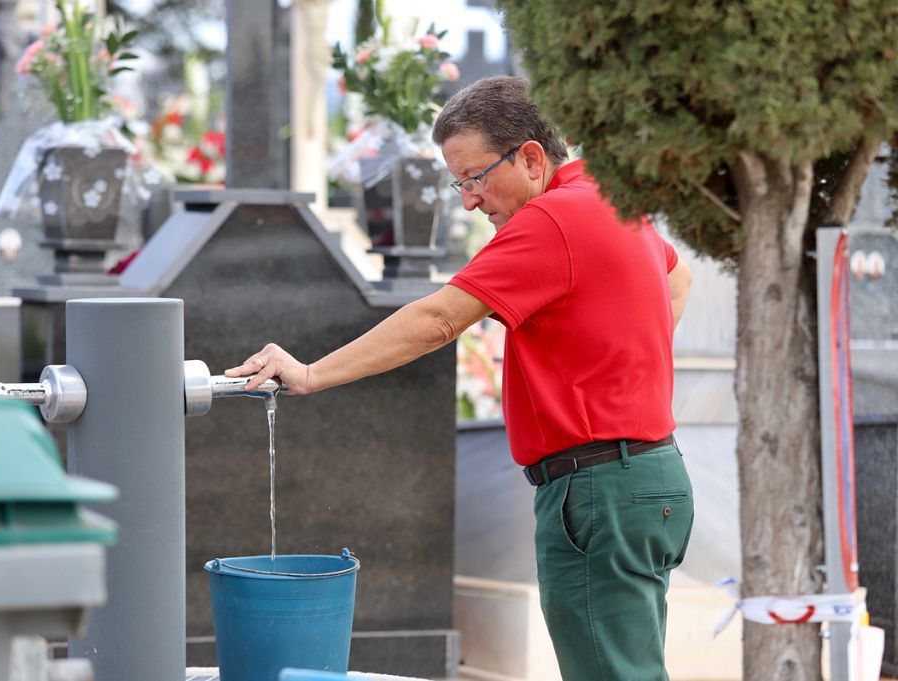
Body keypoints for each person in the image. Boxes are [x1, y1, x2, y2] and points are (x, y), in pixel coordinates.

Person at [226, 75, 694, 680]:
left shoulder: (550, 219)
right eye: (459, 183)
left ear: (530, 157)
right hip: (650, 479)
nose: (470, 201)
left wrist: (311, 374)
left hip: (598, 486)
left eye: (474, 178)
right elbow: (678, 281)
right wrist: (617, 358)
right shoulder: (610, 201)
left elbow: (442, 318)